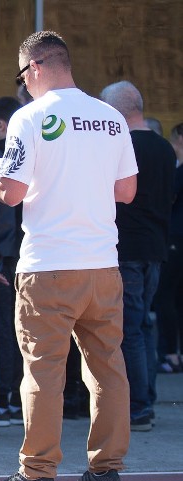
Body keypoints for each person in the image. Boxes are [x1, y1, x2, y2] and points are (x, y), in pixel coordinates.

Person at [0, 30, 138, 481]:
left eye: (23, 75)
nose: (25, 85)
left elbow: (10, 193)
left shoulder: (30, 117)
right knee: (107, 368)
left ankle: (37, 473)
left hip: (48, 264)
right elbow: (126, 190)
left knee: (44, 370)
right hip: (102, 265)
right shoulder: (110, 117)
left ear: (35, 69)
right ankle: (106, 470)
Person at [100, 81, 176, 432]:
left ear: (117, 110)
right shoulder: (164, 147)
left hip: (127, 247)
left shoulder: (121, 144)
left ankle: (139, 407)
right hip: (154, 249)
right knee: (142, 325)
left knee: (128, 329)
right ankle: (145, 400)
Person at [0, 96, 25, 428]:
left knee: (1, 329)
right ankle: (9, 398)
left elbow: (1, 212)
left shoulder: (0, 157)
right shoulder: (28, 155)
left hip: (5, 257)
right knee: (12, 330)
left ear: (1, 125)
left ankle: (2, 399)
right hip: (21, 253)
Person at [155, 122, 183, 373]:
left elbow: (170, 196)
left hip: (175, 238)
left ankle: (171, 354)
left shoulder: (179, 170)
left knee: (165, 296)